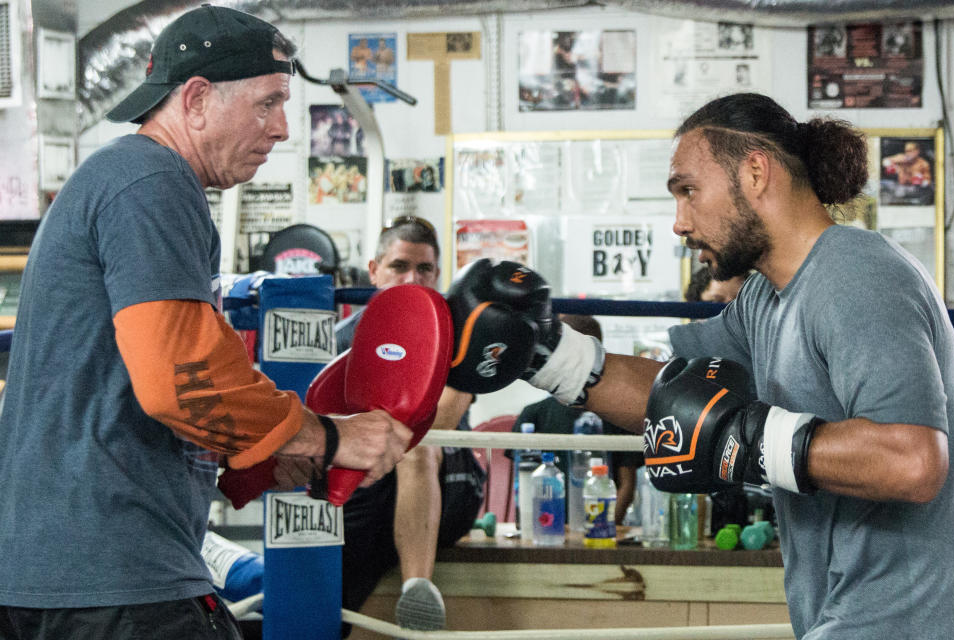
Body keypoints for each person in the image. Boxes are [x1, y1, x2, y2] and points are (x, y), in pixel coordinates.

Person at [445, 92, 954, 639]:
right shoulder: (767, 298)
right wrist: (546, 353)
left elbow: (912, 462)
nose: (679, 222)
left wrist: (746, 438)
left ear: (756, 172)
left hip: (908, 622)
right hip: (842, 617)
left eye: (689, 190)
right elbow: (678, 396)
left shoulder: (854, 274)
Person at [0, 7, 412, 638]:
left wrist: (263, 454)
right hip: (113, 578)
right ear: (195, 99)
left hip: (80, 571)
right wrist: (327, 436)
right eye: (267, 103)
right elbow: (178, 380)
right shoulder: (150, 181)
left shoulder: (130, 181)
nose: (281, 128)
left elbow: (132, 385)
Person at [336, 217, 485, 635]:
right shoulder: (342, 340)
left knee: (415, 444)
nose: (412, 278)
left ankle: (417, 588)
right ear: (374, 271)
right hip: (370, 483)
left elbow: (442, 419)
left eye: (424, 269)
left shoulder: (458, 338)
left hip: (447, 477)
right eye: (399, 266)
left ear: (438, 275)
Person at [507, 314, 643, 525]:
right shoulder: (532, 416)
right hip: (545, 529)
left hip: (599, 533)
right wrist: (529, 528)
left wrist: (604, 528)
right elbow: (520, 484)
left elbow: (627, 484)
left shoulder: (619, 416)